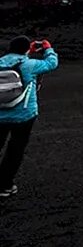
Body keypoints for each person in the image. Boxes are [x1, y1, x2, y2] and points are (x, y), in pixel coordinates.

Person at [0, 36, 59, 198]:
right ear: (26, 49)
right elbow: (51, 63)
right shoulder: (29, 64)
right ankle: (5, 184)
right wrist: (48, 48)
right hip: (24, 114)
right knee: (15, 150)